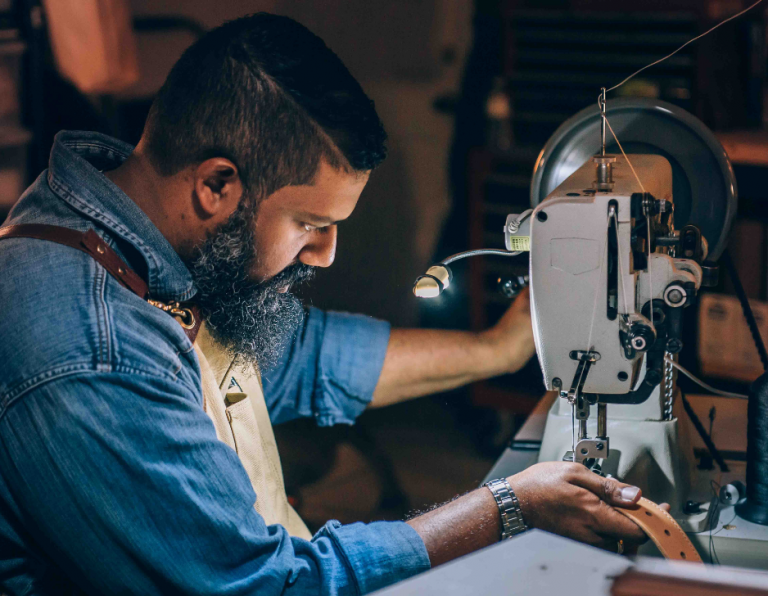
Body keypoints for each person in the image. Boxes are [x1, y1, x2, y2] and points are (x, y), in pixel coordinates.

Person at [0, 13, 649, 595]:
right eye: (311, 222)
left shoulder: (142, 237)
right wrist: (506, 506)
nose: (327, 253)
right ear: (217, 185)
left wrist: (498, 349)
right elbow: (267, 587)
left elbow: (305, 358)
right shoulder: (93, 354)